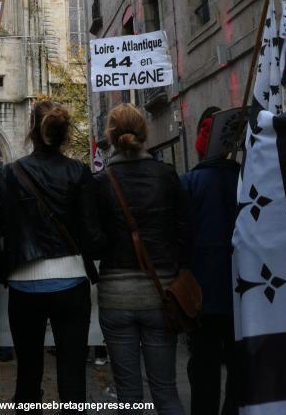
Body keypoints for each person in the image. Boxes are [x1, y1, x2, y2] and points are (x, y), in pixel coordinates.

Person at [0, 100, 102, 404]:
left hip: (24, 285)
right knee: (72, 374)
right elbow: (93, 236)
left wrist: (6, 272)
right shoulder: (79, 172)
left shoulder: (8, 174)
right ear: (64, 134)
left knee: (28, 374)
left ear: (31, 131)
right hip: (71, 283)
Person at [92, 103, 190, 413]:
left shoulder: (100, 183)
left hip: (116, 298)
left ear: (110, 135)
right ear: (144, 132)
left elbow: (93, 242)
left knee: (128, 395)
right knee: (165, 391)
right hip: (161, 295)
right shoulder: (166, 176)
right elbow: (185, 232)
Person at [181, 107, 239, 415]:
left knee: (204, 371)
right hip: (242, 292)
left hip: (201, 295)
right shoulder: (246, 178)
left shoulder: (189, 183)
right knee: (239, 369)